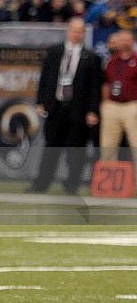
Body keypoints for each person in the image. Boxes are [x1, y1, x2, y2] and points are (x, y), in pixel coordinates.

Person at [30, 17, 102, 194]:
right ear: (68, 31)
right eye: (74, 30)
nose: (76, 34)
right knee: (51, 148)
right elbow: (45, 79)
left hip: (78, 110)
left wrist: (92, 110)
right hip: (56, 107)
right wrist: (41, 101)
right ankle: (41, 184)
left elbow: (95, 87)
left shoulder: (91, 58)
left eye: (80, 31)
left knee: (76, 151)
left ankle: (72, 185)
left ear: (84, 33)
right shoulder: (55, 52)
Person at [100, 30, 137, 160]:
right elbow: (105, 83)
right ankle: (108, 179)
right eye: (121, 39)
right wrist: (105, 103)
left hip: (132, 105)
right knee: (108, 145)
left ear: (132, 41)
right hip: (112, 105)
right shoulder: (111, 61)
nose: (124, 42)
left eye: (127, 39)